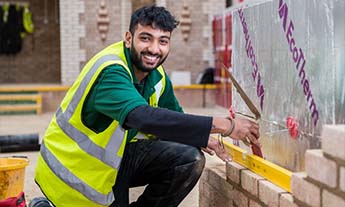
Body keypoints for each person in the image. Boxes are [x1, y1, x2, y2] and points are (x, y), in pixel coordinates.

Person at [34, 5, 260, 207]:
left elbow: (173, 119)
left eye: (162, 41)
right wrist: (226, 126)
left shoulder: (157, 75)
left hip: (114, 162)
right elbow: (143, 117)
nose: (154, 49)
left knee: (188, 159)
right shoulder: (110, 70)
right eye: (145, 38)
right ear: (128, 38)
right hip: (74, 172)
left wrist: (201, 137)